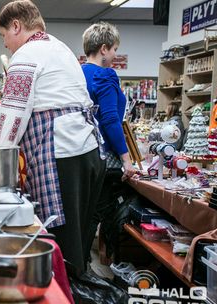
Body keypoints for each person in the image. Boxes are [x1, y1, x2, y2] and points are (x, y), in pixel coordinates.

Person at [0, 0, 105, 274]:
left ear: (17, 26)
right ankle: (75, 288)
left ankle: (64, 293)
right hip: (87, 151)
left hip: (62, 158)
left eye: (3, 35)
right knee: (78, 241)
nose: (5, 44)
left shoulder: (27, 54)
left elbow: (12, 116)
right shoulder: (58, 46)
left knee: (61, 245)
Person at [81, 21, 138, 266]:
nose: (115, 54)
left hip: (83, 153)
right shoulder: (106, 75)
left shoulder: (79, 72)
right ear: (104, 48)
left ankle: (77, 265)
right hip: (104, 156)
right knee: (97, 214)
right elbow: (111, 119)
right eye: (114, 49)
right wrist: (126, 159)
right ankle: (83, 270)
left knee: (84, 214)